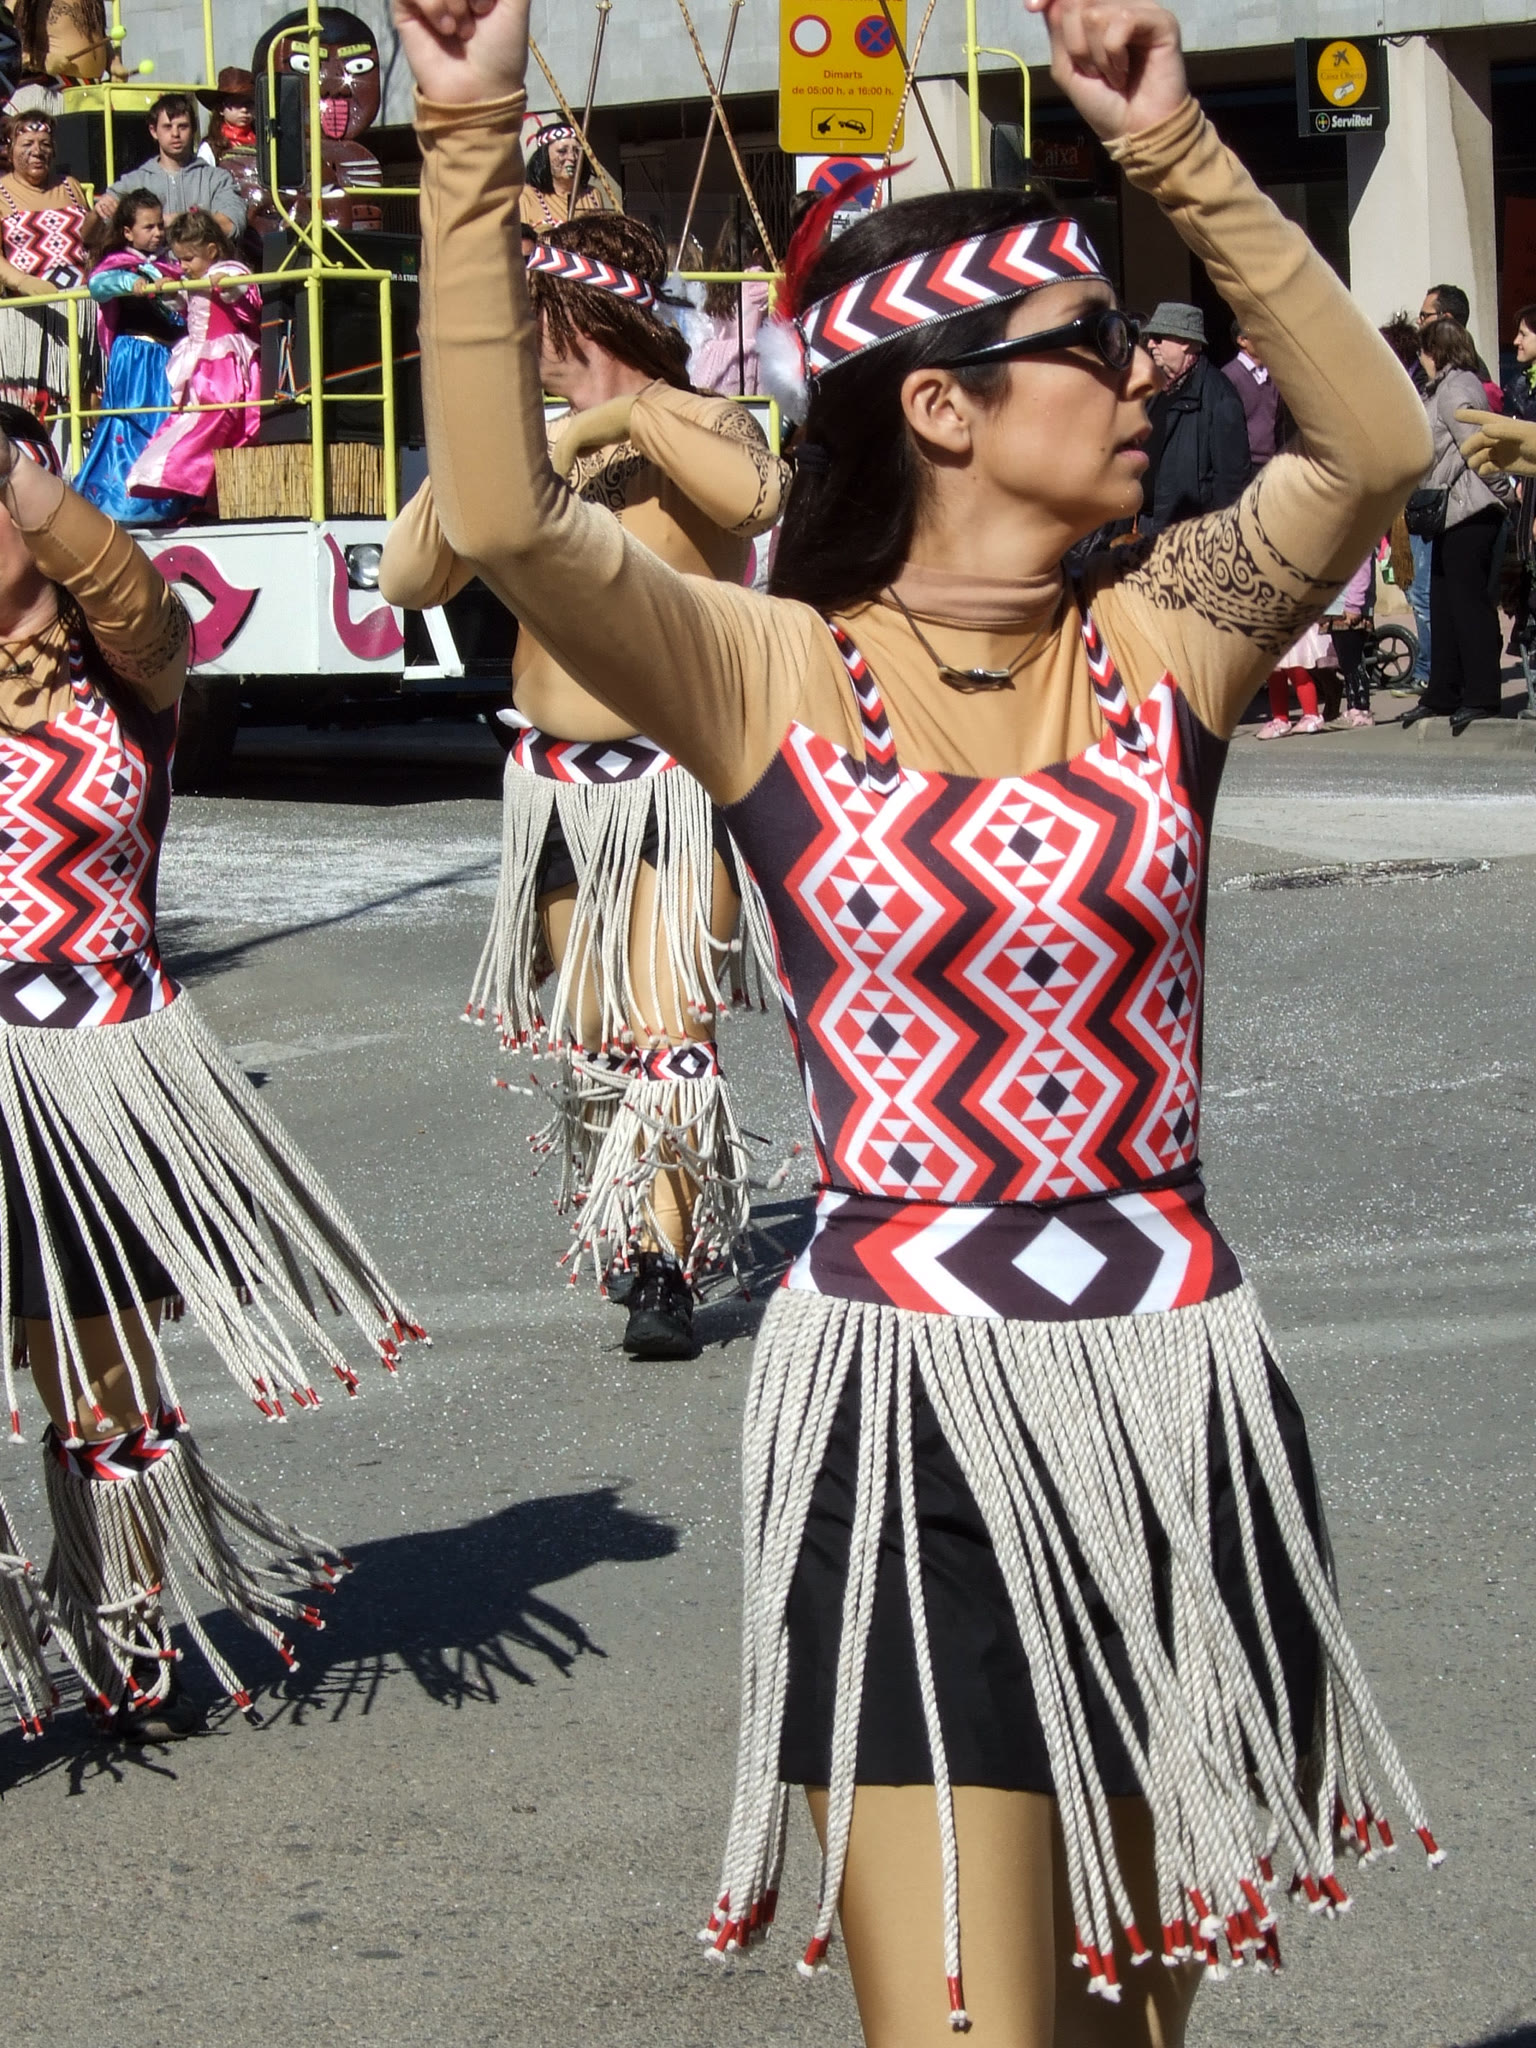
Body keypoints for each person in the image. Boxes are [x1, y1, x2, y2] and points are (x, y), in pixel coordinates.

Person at [399, 0, 1443, 2037]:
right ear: (942, 406)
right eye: (1086, 341)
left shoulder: (1168, 646)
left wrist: (1172, 147)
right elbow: (508, 523)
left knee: (1130, 2026)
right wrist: (463, 133)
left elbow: (1378, 449)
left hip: (1169, 1397)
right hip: (903, 1428)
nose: (1141, 374)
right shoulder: (771, 672)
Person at [0, 402, 422, 1740]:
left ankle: (127, 1624)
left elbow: (132, 595)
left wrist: (17, 469)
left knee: (96, 1363)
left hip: (99, 1060)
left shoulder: (133, 666)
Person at [380, 209, 786, 1361]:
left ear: (575, 314)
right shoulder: (524, 445)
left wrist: (622, 414)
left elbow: (758, 499)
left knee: (668, 1024)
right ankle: (632, 1222)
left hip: (673, 778)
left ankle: (666, 1260)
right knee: (598, 1031)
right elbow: (408, 576)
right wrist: (523, 445)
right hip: (555, 789)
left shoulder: (698, 415)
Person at [1402, 316, 1516, 735]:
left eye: (1423, 350)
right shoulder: (1441, 387)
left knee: (1468, 606)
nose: (1420, 358)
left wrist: (1504, 493)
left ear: (1437, 351)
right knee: (1444, 604)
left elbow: (1478, 448)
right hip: (1451, 512)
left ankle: (1482, 695)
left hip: (1471, 510)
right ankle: (1442, 693)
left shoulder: (1457, 388)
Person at [125, 207, 259, 514]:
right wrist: (170, 292)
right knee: (191, 417)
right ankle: (188, 487)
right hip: (199, 359)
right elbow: (189, 310)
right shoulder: (193, 277)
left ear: (211, 251)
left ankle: (179, 475)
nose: (183, 266)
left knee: (213, 419)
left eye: (188, 259)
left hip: (222, 361)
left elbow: (246, 303)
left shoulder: (230, 270)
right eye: (179, 259)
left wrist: (228, 286)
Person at [72, 188, 183, 524]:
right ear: (127, 232)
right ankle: (121, 500)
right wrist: (128, 282)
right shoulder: (120, 265)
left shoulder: (168, 265)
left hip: (165, 357)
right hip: (135, 356)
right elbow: (98, 285)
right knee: (132, 424)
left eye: (159, 225)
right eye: (148, 227)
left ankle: (163, 498)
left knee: (164, 424)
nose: (157, 233)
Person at [0, 109, 94, 422]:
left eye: (44, 143)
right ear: (10, 148)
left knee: (84, 399)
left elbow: (91, 241)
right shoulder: (1, 193)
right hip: (28, 316)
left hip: (79, 309)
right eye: (27, 143)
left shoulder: (70, 186)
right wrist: (23, 282)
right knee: (37, 405)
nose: (37, 151)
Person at [1139, 299, 1250, 530]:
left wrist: (1213, 535)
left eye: (1158, 338)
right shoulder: (1156, 389)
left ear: (1184, 342)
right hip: (1146, 525)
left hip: (1189, 533)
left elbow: (1231, 483)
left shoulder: (1220, 396)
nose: (1150, 344)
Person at [96, 92, 246, 243]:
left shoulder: (217, 179)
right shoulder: (134, 182)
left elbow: (231, 225)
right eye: (167, 127)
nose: (175, 134)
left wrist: (179, 221)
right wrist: (98, 212)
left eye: (183, 127)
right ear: (153, 131)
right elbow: (91, 235)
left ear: (193, 129)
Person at [689, 216, 769, 397]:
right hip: (745, 357)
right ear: (756, 253)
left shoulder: (719, 281)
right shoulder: (756, 276)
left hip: (715, 358)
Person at [518, 118, 604, 230]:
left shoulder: (592, 195)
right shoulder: (526, 197)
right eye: (562, 151)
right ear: (544, 157)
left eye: (577, 151)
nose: (572, 157)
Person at [1220, 321, 1281, 467]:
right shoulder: (1229, 376)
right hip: (1242, 464)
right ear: (1242, 340)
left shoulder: (1274, 375)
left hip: (1271, 462)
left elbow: (1278, 420)